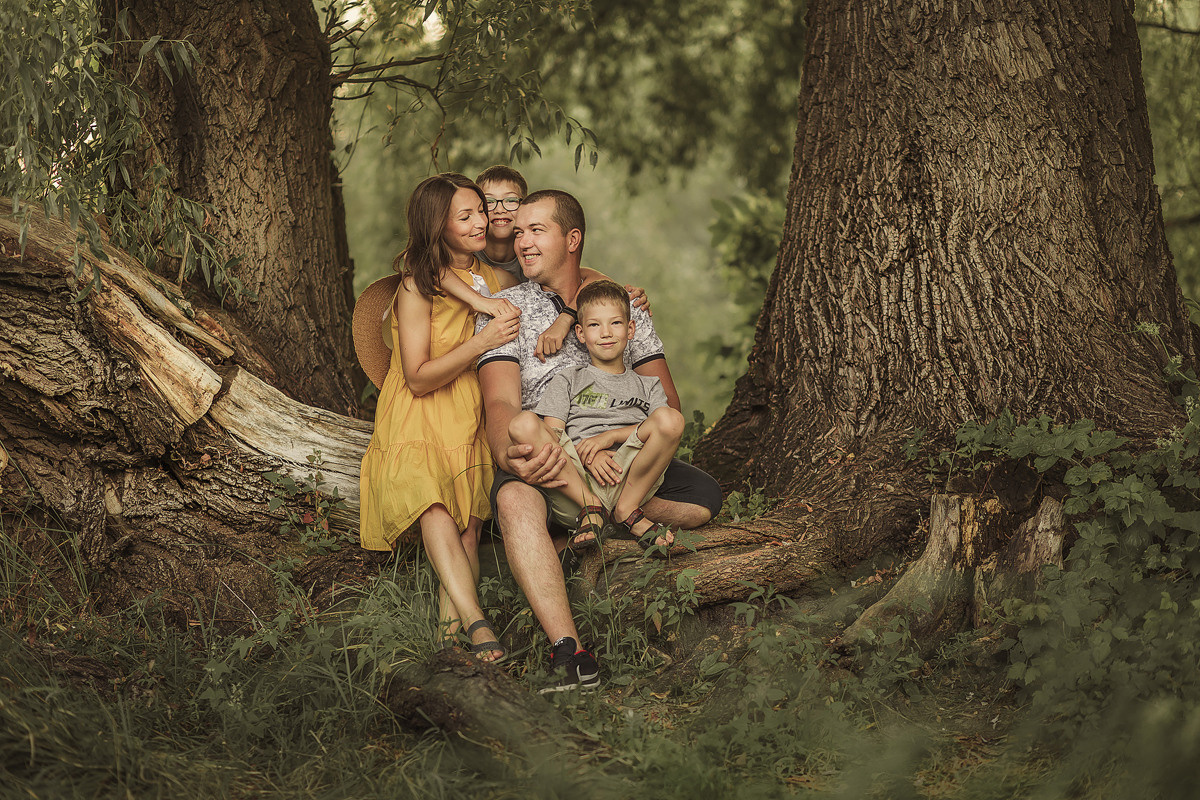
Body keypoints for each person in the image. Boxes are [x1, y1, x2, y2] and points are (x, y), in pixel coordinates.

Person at [477, 189, 723, 693]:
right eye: (517, 232)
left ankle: (598, 518)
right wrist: (514, 454)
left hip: (623, 452)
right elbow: (500, 403)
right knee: (513, 498)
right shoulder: (505, 309)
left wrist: (614, 441)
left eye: (535, 230)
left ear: (573, 239)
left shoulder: (621, 305)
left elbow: (667, 402)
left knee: (703, 500)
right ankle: (571, 652)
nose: (521, 241)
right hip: (554, 452)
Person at [357, 172, 522, 662]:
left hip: (468, 410)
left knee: (468, 525)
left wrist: (621, 292)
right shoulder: (416, 285)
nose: (480, 221)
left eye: (480, 210)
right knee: (433, 506)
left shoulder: (492, 278)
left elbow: (563, 284)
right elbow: (417, 376)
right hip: (422, 409)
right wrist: (482, 342)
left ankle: (449, 642)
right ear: (438, 226)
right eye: (464, 215)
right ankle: (477, 624)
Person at [507, 279, 684, 554]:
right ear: (579, 333)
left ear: (630, 329)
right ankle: (592, 508)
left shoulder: (648, 386)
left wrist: (609, 438)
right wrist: (588, 454)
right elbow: (553, 435)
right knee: (523, 423)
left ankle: (626, 509)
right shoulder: (568, 379)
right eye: (594, 325)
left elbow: (659, 429)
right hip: (576, 484)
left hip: (631, 478)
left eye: (615, 323)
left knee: (671, 418)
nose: (605, 333)